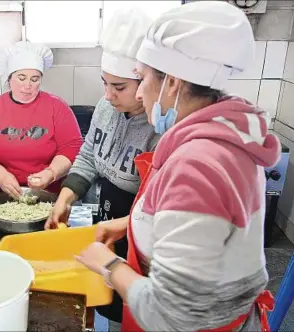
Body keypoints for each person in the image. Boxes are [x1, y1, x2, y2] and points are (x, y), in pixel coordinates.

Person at [76, 2, 280, 331]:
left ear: (172, 82)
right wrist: (129, 224)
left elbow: (171, 313)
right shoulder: (226, 131)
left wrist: (110, 266)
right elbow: (206, 223)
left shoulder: (200, 163)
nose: (140, 93)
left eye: (141, 79)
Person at [45, 8, 158, 331]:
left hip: (142, 228)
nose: (107, 96)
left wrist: (129, 229)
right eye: (104, 83)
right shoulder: (107, 109)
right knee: (105, 298)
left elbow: (157, 208)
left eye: (119, 87)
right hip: (109, 216)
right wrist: (65, 197)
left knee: (136, 307)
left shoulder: (160, 127)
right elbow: (90, 153)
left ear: (145, 82)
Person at [0, 41, 83, 198]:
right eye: (21, 78)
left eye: (34, 79)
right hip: (0, 194)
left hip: (46, 193)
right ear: (9, 79)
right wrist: (1, 175)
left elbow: (72, 147)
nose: (28, 85)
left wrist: (50, 173)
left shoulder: (57, 107)